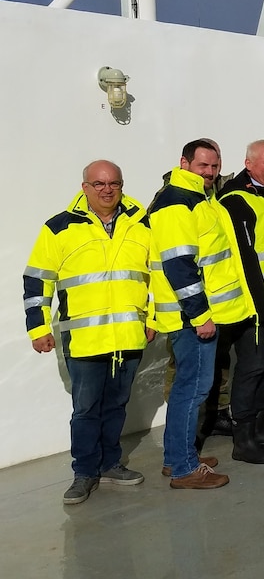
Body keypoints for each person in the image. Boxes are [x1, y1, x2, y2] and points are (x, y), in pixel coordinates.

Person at [24, 160, 152, 504]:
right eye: (98, 184)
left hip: (128, 337)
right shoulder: (60, 228)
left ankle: (111, 464)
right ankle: (84, 472)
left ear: (121, 186)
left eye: (113, 183)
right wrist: (37, 327)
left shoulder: (141, 224)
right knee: (85, 410)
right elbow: (37, 281)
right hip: (85, 341)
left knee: (117, 406)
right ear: (85, 188)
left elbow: (157, 276)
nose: (106, 190)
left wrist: (152, 318)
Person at [148, 140, 260, 489]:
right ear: (184, 162)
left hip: (199, 314)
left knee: (191, 388)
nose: (210, 173)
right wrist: (199, 315)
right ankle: (183, 469)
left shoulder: (200, 199)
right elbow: (180, 266)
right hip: (189, 318)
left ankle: (177, 457)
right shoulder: (177, 202)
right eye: (202, 166)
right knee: (192, 390)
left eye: (214, 166)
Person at [217, 140, 264, 448]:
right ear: (249, 164)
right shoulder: (238, 200)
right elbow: (246, 257)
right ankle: (243, 438)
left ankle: (259, 427)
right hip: (255, 304)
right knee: (251, 367)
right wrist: (259, 304)